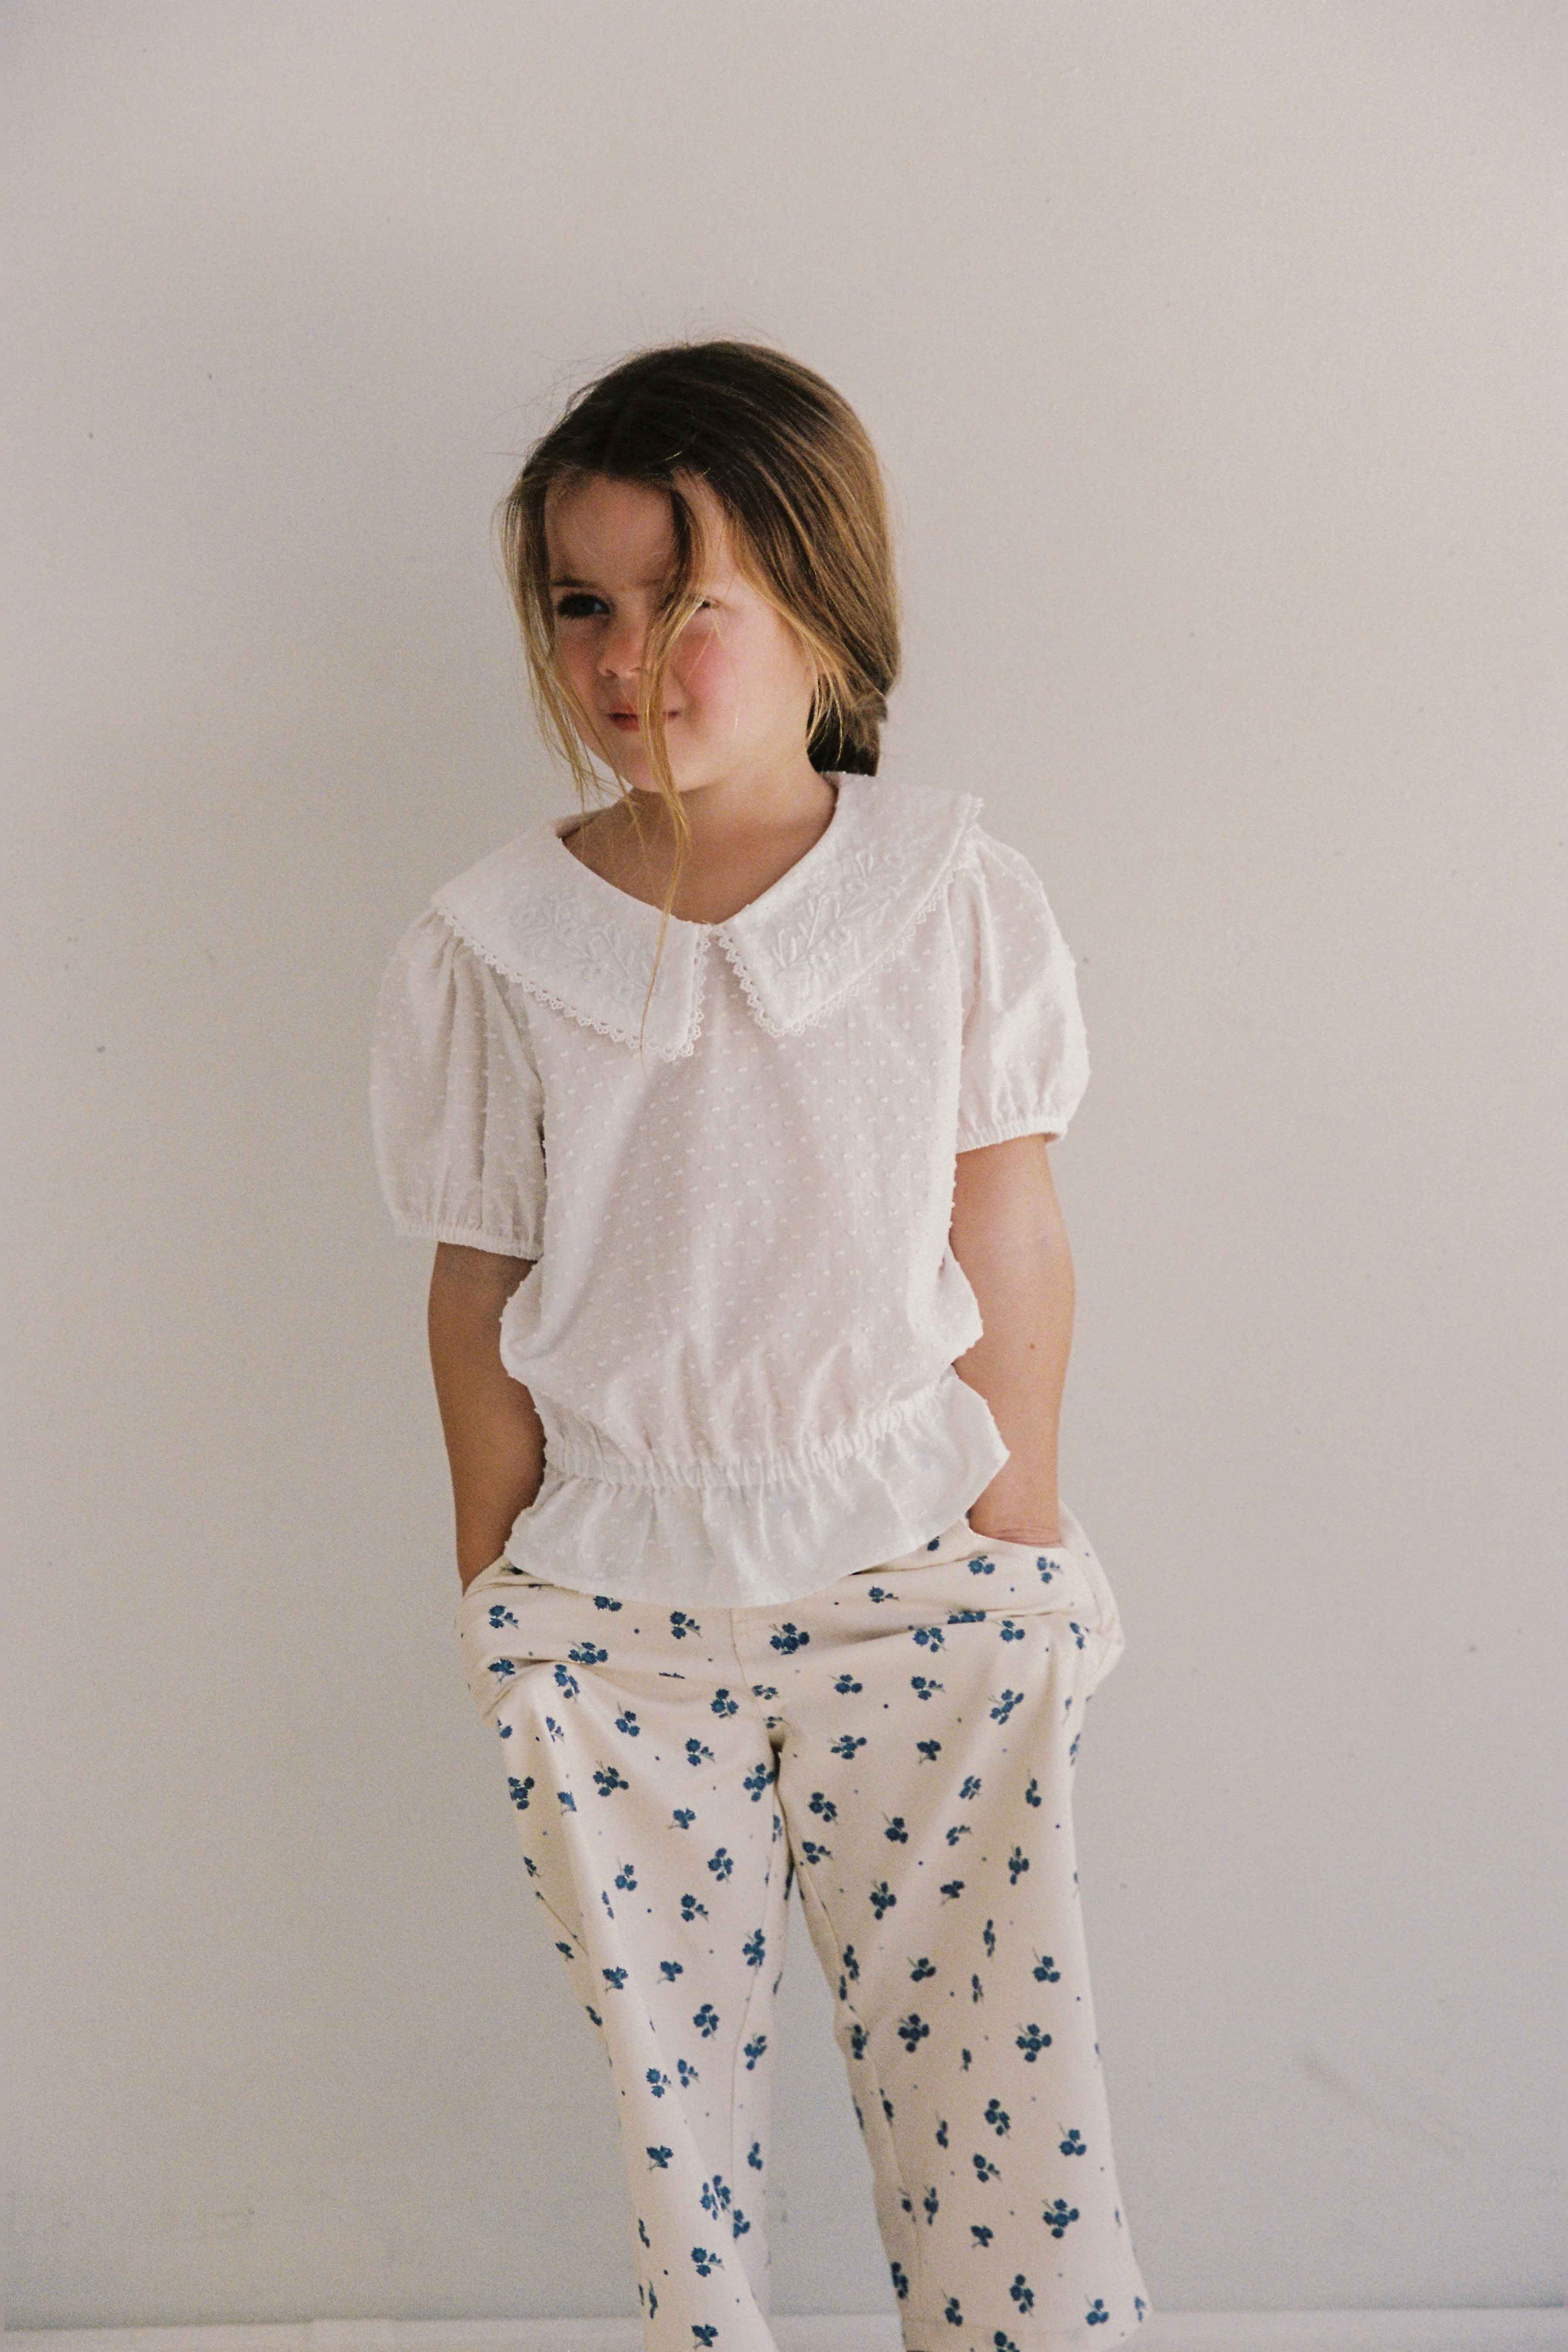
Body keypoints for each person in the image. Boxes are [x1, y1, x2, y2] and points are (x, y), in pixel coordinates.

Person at [369, 340, 1151, 2352]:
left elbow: (1011, 1225)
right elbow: (478, 1295)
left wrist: (1026, 1547)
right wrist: (496, 1598)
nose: (627, 659)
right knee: (679, 2154)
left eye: (683, 601)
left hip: (919, 1573)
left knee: (1000, 2110)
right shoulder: (493, 946)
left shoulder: (949, 898)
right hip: (611, 1611)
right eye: (582, 606)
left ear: (816, 609)